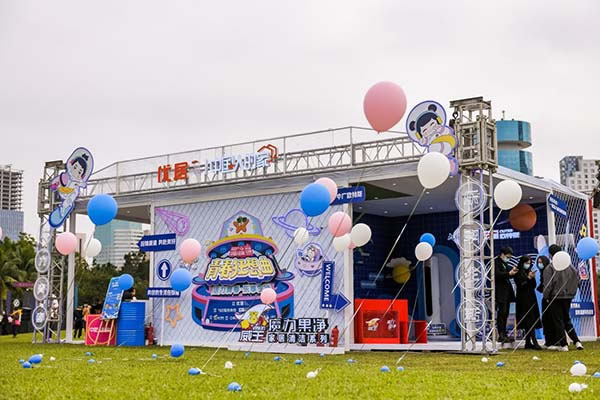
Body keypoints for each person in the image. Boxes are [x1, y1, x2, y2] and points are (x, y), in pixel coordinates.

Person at [543, 245, 582, 351]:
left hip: (555, 297)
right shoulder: (571, 267)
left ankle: (563, 344)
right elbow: (578, 281)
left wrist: (546, 296)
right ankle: (577, 341)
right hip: (568, 297)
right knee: (566, 320)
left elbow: (548, 285)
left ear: (550, 255)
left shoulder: (550, 268)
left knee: (558, 321)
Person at [514, 255, 542, 350]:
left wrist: (532, 278)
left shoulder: (529, 271)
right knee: (528, 320)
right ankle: (534, 341)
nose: (528, 265)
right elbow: (521, 285)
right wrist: (528, 278)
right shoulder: (518, 272)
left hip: (531, 298)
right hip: (523, 299)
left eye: (529, 263)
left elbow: (533, 285)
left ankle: (528, 342)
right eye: (526, 263)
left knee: (531, 319)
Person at [495, 247, 517, 343]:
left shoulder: (505, 263)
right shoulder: (496, 262)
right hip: (500, 293)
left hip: (507, 293)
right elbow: (497, 274)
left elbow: (509, 271)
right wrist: (508, 273)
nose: (508, 259)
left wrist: (514, 271)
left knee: (506, 314)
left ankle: (505, 334)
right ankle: (501, 334)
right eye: (508, 257)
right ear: (502, 254)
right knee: (502, 313)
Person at [535, 255, 555, 347]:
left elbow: (547, 285)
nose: (540, 264)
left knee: (549, 319)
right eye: (538, 262)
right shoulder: (543, 271)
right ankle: (548, 340)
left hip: (549, 298)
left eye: (541, 262)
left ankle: (552, 340)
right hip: (546, 297)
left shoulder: (547, 270)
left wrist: (546, 296)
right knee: (546, 319)